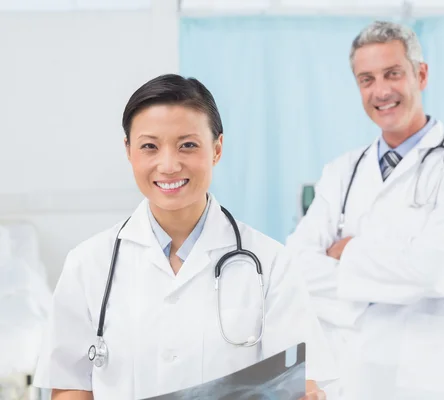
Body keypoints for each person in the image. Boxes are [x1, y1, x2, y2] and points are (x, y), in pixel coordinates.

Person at [33, 74, 335, 400]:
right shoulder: (88, 264)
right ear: (129, 151)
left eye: (187, 145)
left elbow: (300, 382)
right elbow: (70, 386)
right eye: (150, 146)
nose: (169, 165)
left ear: (217, 149)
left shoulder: (270, 263)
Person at [285, 21, 444, 400]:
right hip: (347, 377)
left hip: (425, 379)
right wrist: (398, 263)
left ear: (421, 74)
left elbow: (435, 271)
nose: (380, 91)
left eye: (392, 74)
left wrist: (345, 251)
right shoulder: (341, 172)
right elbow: (296, 266)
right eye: (366, 79)